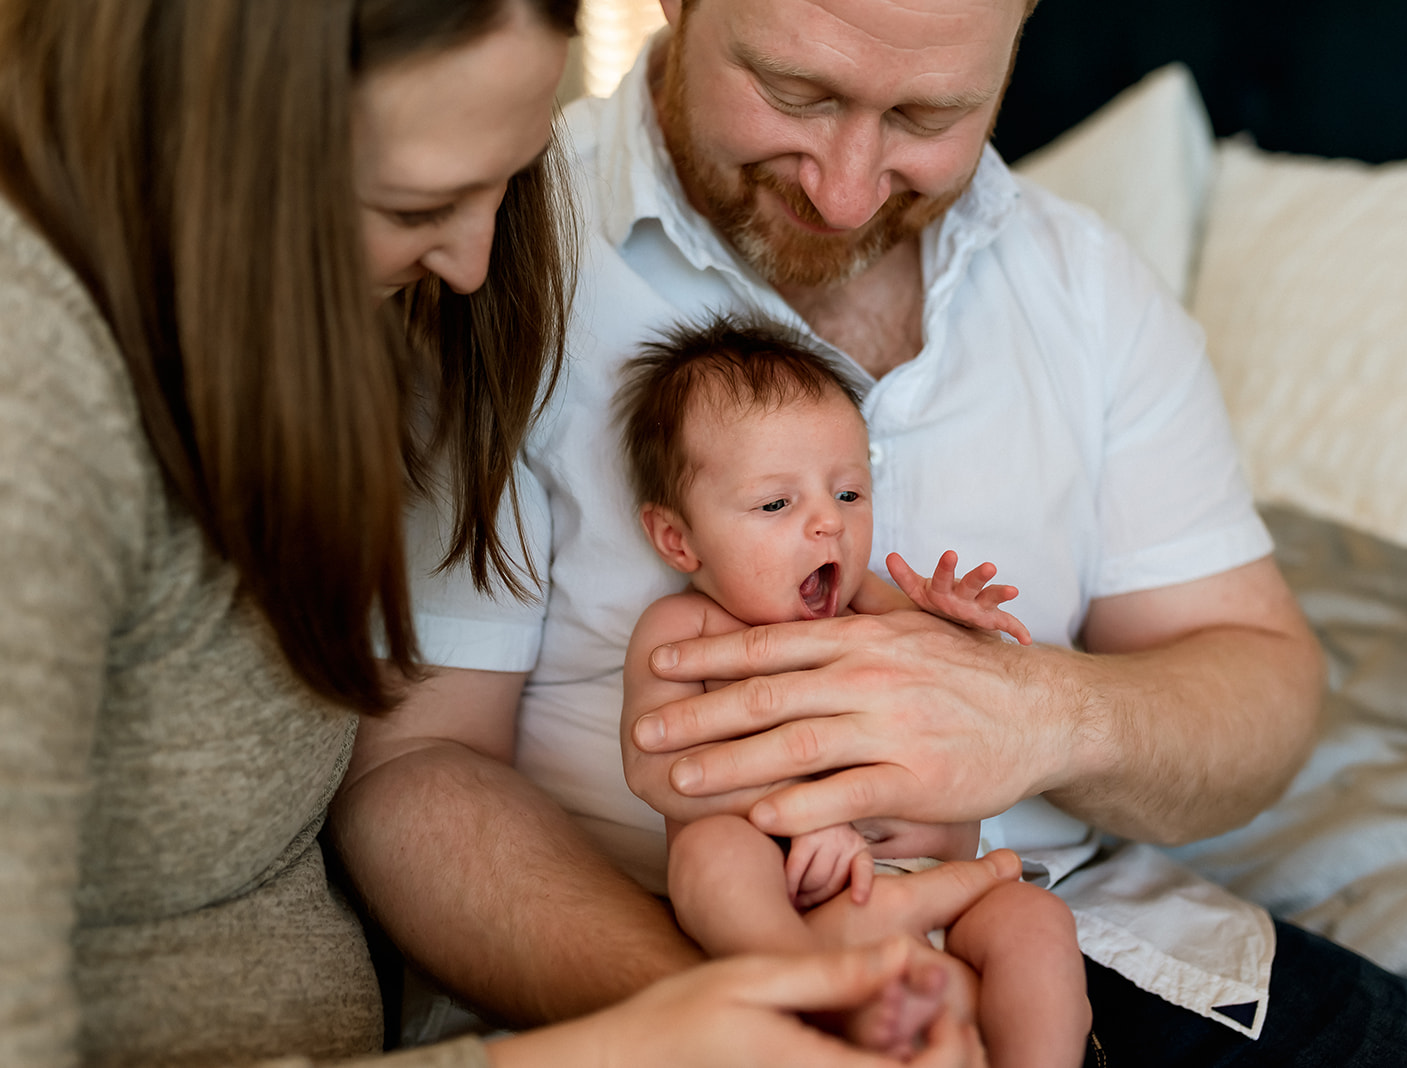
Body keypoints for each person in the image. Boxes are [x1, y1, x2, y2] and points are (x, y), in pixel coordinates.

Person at [365, 0, 1407, 1063]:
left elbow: (1263, 683)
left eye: (930, 113)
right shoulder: (484, 257)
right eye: (794, 92)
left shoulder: (1084, 287)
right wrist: (780, 1021)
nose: (844, 187)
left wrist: (1042, 715)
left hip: (1089, 934)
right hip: (648, 969)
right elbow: (414, 775)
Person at [0, 1, 989, 1065]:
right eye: (415, 202)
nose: (471, 263)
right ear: (215, 129)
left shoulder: (362, 294)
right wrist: (640, 1044)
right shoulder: (35, 391)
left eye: (513, 176)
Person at [614, 317, 1089, 1065]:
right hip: (788, 895)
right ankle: (807, 985)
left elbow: (965, 699)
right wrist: (798, 815)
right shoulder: (683, 630)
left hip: (939, 883)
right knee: (711, 855)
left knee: (1038, 924)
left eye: (847, 493)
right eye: (776, 505)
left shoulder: (869, 598)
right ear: (679, 540)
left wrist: (962, 628)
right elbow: (657, 770)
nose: (826, 525)